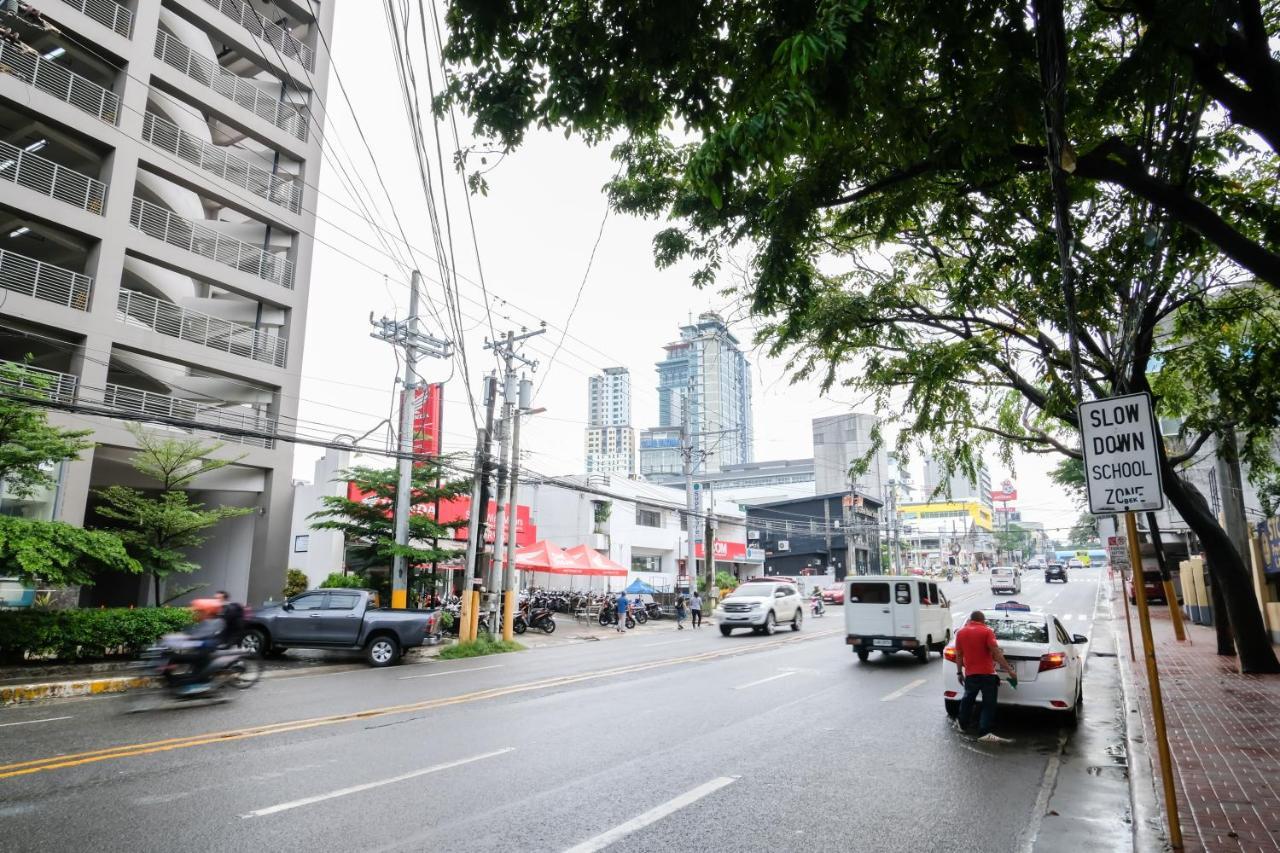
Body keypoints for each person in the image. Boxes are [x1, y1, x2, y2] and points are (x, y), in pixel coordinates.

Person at [953, 610, 1017, 743]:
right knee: (988, 704)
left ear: (971, 620)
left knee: (968, 700)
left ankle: (962, 724)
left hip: (971, 674)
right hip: (988, 675)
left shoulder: (960, 633)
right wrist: (1009, 670)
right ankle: (984, 732)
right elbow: (996, 653)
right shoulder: (987, 631)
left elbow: (959, 655)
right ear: (983, 621)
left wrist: (959, 672)